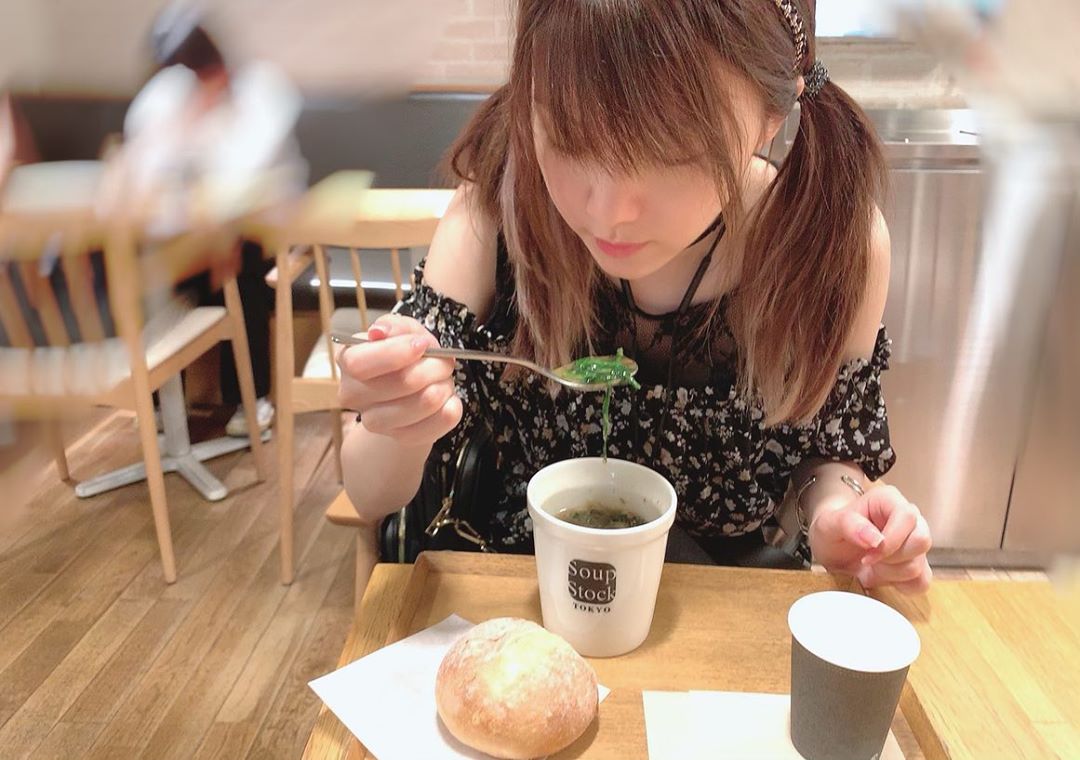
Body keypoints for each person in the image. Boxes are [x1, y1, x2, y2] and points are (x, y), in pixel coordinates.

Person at [338, 0, 933, 592]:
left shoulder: (831, 243)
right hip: (529, 588)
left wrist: (839, 512)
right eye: (568, 138)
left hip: (724, 600)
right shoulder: (497, 208)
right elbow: (370, 494)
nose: (609, 212)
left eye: (671, 151)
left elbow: (825, 454)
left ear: (771, 115)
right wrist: (398, 418)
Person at [114, 3, 306, 436]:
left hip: (260, 230)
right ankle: (162, 399)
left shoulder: (264, 89)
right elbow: (142, 168)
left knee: (239, 262)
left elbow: (243, 179)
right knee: (152, 266)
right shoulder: (165, 94)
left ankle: (251, 397)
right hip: (185, 232)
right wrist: (181, 128)